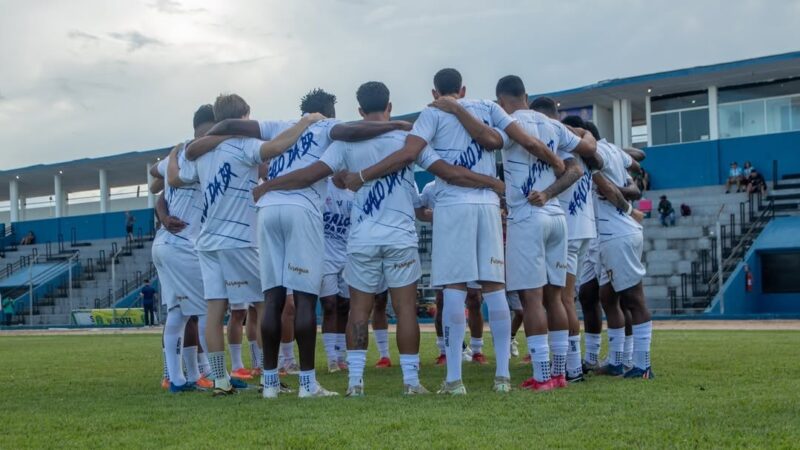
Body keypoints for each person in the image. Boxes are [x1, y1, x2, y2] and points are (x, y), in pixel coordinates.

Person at [252, 80, 506, 396]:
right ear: (390, 106)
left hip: (362, 238)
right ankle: (411, 383)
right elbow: (449, 171)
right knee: (405, 310)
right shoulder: (407, 138)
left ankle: (355, 383)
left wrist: (269, 185)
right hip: (400, 236)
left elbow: (310, 174)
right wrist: (492, 182)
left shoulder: (346, 144)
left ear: (359, 110)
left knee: (358, 310)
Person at [345, 69, 565, 395]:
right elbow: (496, 141)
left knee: (455, 289)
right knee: (494, 288)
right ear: (463, 89)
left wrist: (362, 175)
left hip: (452, 208)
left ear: (435, 93)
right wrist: (493, 181)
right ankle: (502, 377)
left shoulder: (431, 113)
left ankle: (454, 380)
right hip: (488, 207)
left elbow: (416, 157)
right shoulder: (488, 108)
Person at [176, 94, 321, 396]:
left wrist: (183, 149)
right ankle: (270, 373)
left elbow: (178, 178)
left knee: (215, 310)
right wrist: (306, 121)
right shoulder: (242, 145)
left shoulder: (202, 152)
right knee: (267, 304)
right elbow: (278, 147)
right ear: (245, 117)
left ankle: (219, 379)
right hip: (240, 239)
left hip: (208, 241)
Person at [495, 81, 594, 391]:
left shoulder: (506, 123)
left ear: (502, 100)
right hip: (557, 218)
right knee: (556, 297)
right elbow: (580, 164)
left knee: (531, 298)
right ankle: (561, 373)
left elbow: (485, 140)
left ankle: (541, 376)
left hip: (527, 217)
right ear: (525, 95)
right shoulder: (553, 125)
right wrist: (550, 191)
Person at [531, 100, 599, 385]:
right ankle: (573, 364)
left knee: (562, 299)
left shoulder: (556, 139)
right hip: (586, 228)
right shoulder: (579, 142)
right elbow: (596, 154)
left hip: (569, 229)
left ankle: (571, 368)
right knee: (567, 299)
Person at [591, 129, 654, 379]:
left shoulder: (595, 158)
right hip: (610, 235)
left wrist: (630, 209)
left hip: (617, 234)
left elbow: (613, 189)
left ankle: (643, 366)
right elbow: (637, 160)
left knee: (634, 299)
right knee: (607, 296)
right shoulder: (609, 154)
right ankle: (617, 361)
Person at [320, 174, 354, 373]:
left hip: (347, 255)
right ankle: (332, 359)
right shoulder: (324, 187)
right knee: (330, 305)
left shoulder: (354, 193)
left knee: (344, 306)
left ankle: (341, 355)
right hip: (325, 256)